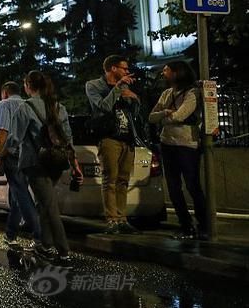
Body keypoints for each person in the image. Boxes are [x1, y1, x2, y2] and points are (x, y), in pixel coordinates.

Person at [5, 71, 77, 264]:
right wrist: (74, 162)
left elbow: (14, 138)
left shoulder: (25, 107)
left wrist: (3, 152)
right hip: (57, 162)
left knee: (49, 206)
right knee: (44, 203)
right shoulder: (58, 106)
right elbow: (68, 137)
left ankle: (63, 253)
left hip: (35, 163)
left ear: (28, 85)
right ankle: (43, 245)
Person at [149, 60, 207, 240]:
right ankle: (186, 226)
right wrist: (167, 113)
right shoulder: (166, 93)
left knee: (192, 185)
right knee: (173, 187)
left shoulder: (192, 93)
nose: (163, 73)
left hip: (187, 144)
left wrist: (165, 116)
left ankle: (204, 224)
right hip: (167, 144)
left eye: (166, 70)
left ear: (177, 73)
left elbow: (181, 115)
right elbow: (151, 117)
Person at [86, 55, 141, 234]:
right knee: (110, 179)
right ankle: (112, 220)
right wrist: (117, 89)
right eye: (124, 68)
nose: (127, 72)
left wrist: (135, 99)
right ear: (113, 69)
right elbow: (103, 106)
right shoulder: (94, 85)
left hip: (127, 137)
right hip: (109, 137)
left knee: (123, 180)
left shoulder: (125, 86)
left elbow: (135, 113)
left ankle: (122, 218)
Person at [0, 81, 42, 250]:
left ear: (5, 92)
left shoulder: (4, 104)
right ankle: (10, 234)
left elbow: (3, 131)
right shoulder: (28, 104)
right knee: (16, 195)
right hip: (30, 155)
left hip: (12, 155)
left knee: (21, 194)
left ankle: (39, 236)